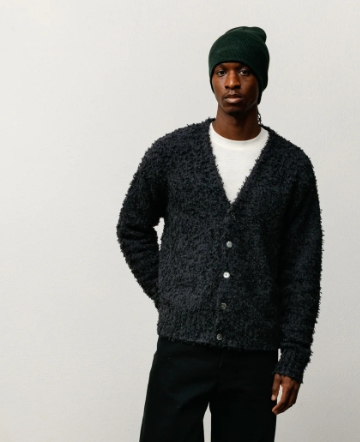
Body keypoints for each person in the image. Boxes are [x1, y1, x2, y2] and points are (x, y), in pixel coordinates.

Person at [116, 25, 324, 442]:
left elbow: (302, 269)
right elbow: (132, 225)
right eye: (221, 71)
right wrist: (171, 292)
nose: (232, 82)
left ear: (261, 79)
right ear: (211, 78)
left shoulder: (291, 167)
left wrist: (293, 358)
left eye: (244, 71)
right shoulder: (173, 153)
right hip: (181, 346)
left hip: (255, 354)